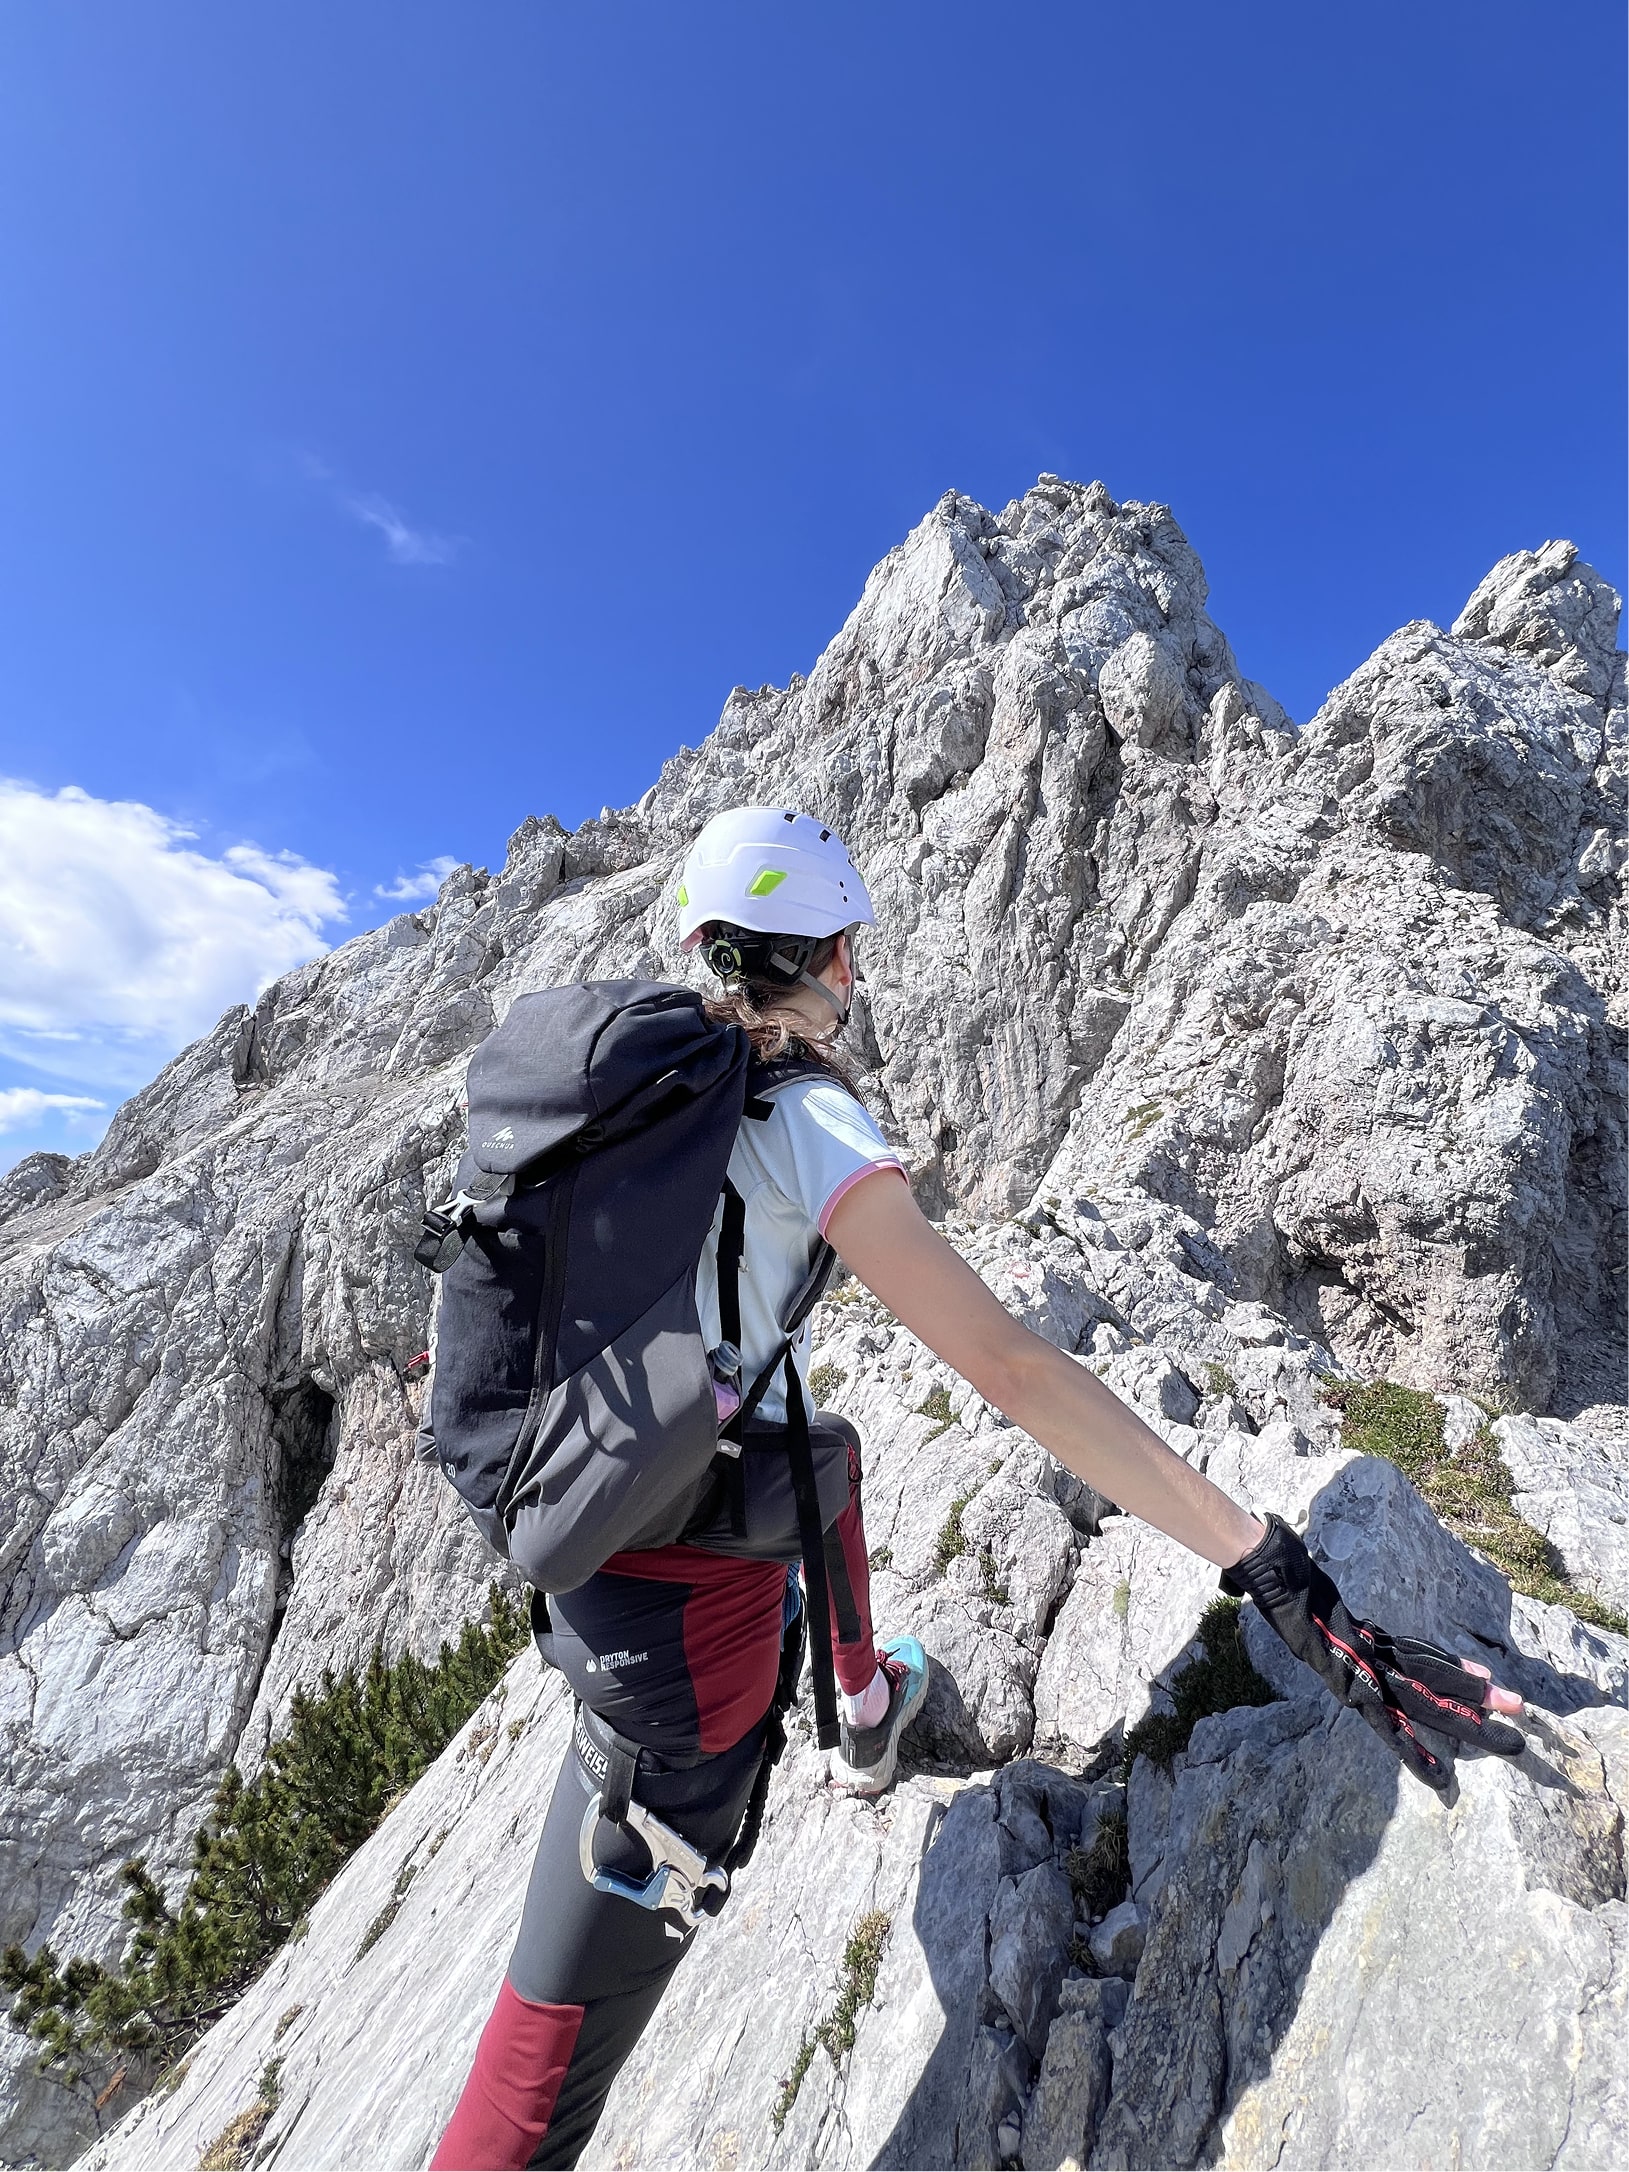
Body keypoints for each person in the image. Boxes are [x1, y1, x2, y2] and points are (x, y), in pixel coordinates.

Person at [430, 807, 1525, 2172]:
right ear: (809, 957)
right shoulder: (806, 1118)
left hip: (600, 1542)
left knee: (826, 1455)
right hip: (685, 1679)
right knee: (529, 2098)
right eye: (842, 949)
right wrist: (1261, 1557)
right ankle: (851, 1710)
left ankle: (861, 1705)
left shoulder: (644, 1098)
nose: (856, 973)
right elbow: (1010, 1365)